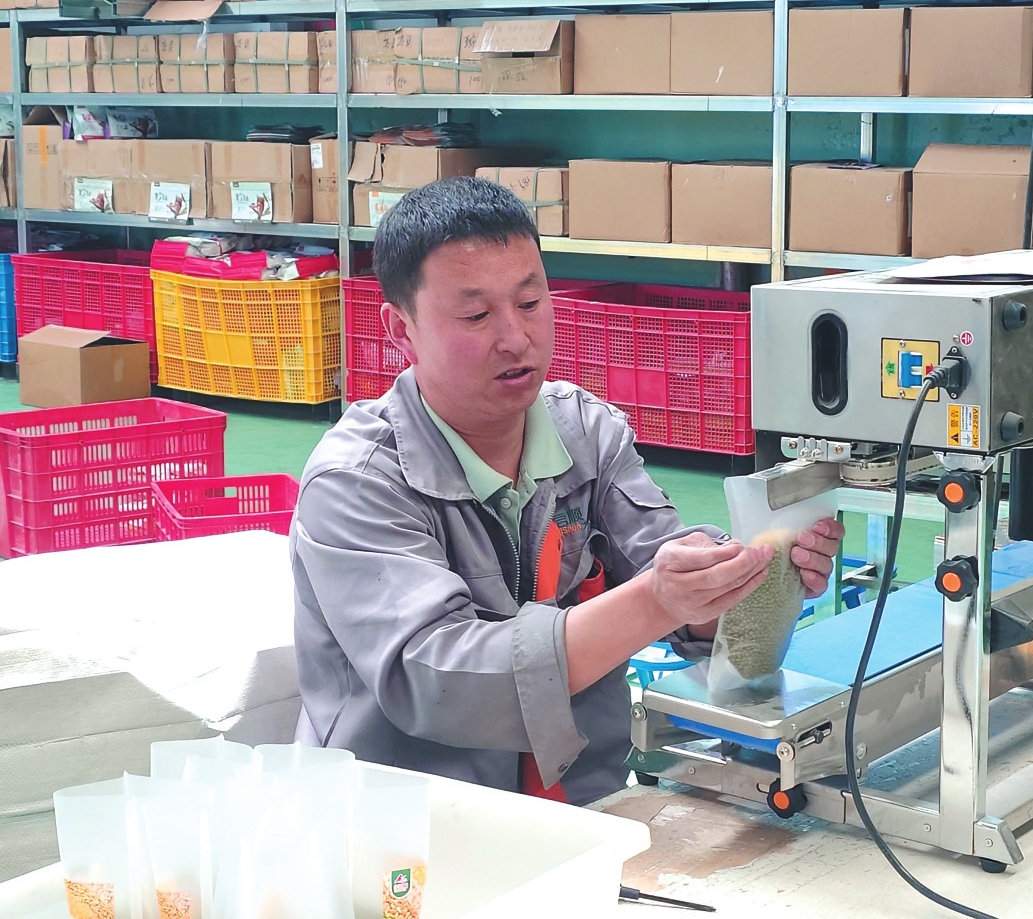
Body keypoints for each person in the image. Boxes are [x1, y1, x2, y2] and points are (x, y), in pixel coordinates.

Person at [290, 177, 843, 806]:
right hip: (402, 823)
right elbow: (440, 682)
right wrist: (656, 600)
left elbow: (668, 570)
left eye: (530, 302)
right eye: (476, 315)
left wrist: (749, 579)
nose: (516, 337)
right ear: (400, 329)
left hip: (583, 805)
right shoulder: (356, 482)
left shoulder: (585, 432)